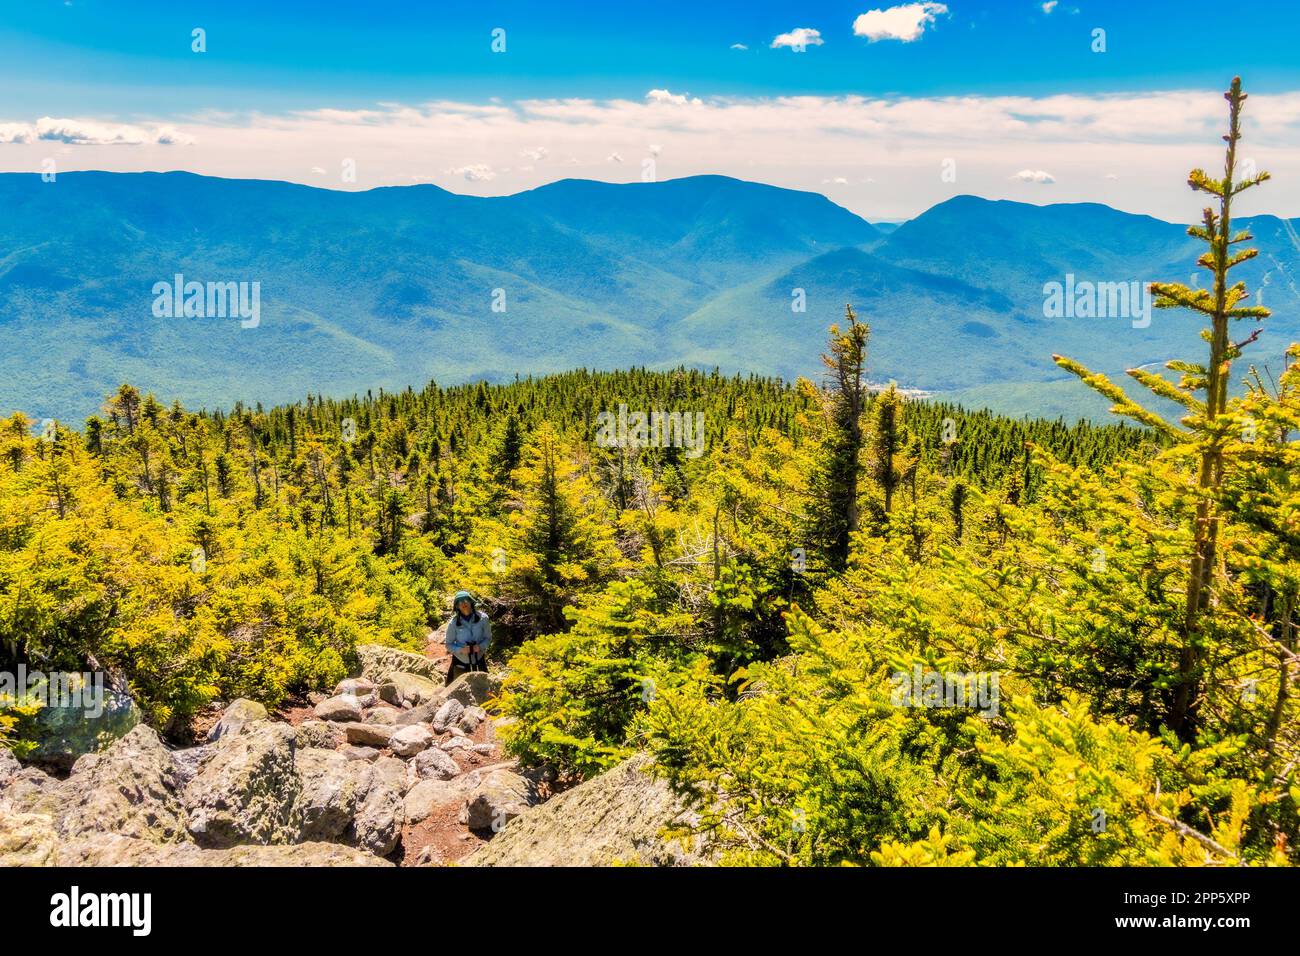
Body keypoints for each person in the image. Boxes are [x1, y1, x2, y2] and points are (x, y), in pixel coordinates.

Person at [444, 590, 491, 685]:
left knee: (485, 689)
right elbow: (448, 644)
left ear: (471, 601)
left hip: (479, 659)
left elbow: (488, 638)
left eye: (465, 600)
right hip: (460, 661)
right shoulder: (453, 623)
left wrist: (480, 646)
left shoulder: (483, 618)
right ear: (457, 606)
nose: (463, 603)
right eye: (460, 602)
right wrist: (460, 649)